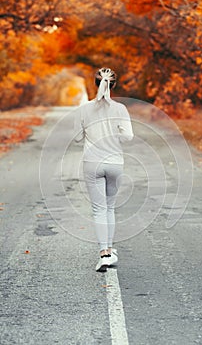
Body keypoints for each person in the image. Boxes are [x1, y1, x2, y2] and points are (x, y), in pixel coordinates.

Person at [74, 67, 134, 272]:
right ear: (114, 85)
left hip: (93, 163)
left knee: (99, 209)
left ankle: (104, 253)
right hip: (115, 162)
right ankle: (109, 250)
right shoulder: (120, 109)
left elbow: (76, 138)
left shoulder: (84, 109)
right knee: (109, 208)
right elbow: (128, 137)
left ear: (95, 83)